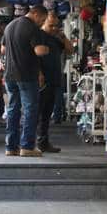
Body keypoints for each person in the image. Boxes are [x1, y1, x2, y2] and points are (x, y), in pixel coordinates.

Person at [1, 5, 49, 157]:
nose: (42, 23)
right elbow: (39, 51)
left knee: (13, 109)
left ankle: (11, 147)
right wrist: (47, 49)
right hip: (27, 75)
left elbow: (3, 49)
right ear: (35, 14)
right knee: (30, 110)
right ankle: (27, 146)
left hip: (10, 75)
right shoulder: (32, 28)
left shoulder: (10, 26)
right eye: (42, 19)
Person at [37, 13, 72, 153]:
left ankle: (43, 142)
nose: (53, 28)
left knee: (46, 114)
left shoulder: (56, 38)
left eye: (56, 26)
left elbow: (70, 50)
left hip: (54, 79)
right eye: (50, 25)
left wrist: (63, 36)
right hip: (42, 81)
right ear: (43, 23)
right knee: (37, 113)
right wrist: (39, 73)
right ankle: (29, 143)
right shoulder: (39, 36)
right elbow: (33, 56)